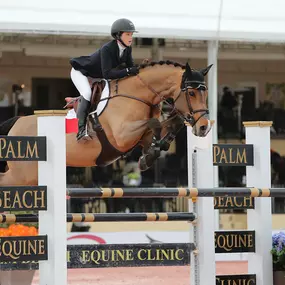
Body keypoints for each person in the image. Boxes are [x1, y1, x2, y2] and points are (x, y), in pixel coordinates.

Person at [69, 18, 139, 141]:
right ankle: (80, 130)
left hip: (98, 76)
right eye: (128, 34)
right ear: (118, 35)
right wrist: (128, 71)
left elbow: (130, 68)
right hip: (82, 72)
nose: (131, 37)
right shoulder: (108, 48)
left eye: (131, 34)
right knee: (87, 93)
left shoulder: (128, 49)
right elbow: (108, 74)